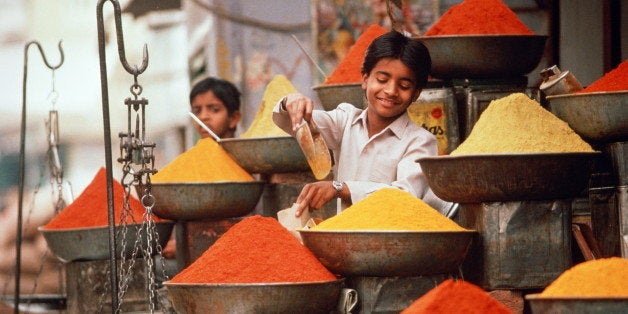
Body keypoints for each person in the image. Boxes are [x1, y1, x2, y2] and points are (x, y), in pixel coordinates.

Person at [273, 30, 452, 217]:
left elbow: (405, 196)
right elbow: (299, 125)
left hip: (391, 241)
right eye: (382, 80)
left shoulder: (420, 141)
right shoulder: (344, 121)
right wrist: (291, 103)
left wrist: (341, 189)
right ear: (365, 79)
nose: (391, 91)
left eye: (404, 86)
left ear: (416, 93)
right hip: (342, 236)